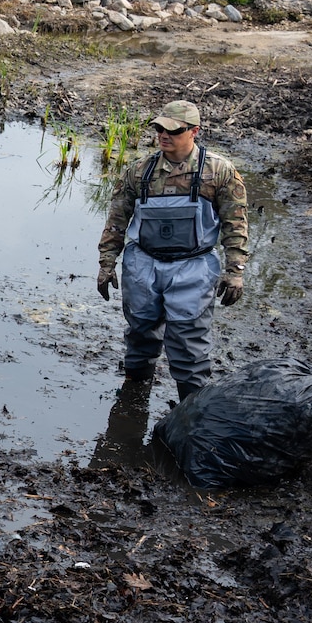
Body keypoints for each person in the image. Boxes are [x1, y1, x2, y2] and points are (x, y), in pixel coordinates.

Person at [95, 99, 249, 400]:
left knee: (189, 341)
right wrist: (106, 264)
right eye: (158, 129)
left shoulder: (218, 172)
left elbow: (236, 225)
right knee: (140, 331)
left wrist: (235, 271)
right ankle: (133, 396)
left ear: (195, 131)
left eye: (172, 130)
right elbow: (116, 219)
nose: (163, 135)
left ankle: (191, 409)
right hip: (143, 264)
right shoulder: (139, 172)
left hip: (194, 266)